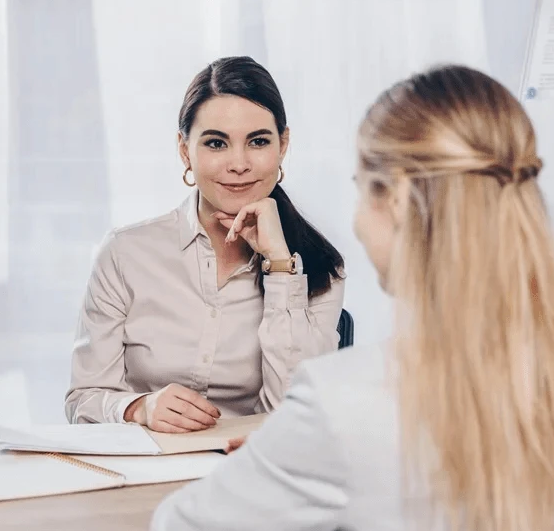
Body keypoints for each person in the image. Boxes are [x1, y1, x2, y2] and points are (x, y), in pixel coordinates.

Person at [149, 65, 554, 531]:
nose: (358, 220)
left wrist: (291, 457)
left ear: (400, 204)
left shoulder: (343, 402)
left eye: (363, 191)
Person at [66, 56, 345, 431]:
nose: (239, 163)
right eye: (216, 143)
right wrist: (139, 408)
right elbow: (82, 399)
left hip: (251, 471)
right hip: (146, 470)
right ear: (185, 150)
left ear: (283, 145)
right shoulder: (124, 254)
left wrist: (279, 266)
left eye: (258, 141)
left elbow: (296, 417)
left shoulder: (320, 266)